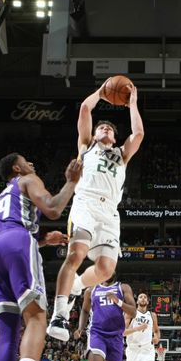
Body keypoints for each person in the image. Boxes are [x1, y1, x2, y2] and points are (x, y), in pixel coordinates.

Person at [49, 77, 144, 341]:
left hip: (110, 214)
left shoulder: (122, 155)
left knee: (105, 269)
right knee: (77, 253)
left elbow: (138, 135)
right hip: (85, 204)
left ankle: (76, 288)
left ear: (113, 139)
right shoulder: (86, 147)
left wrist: (133, 103)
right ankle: (58, 315)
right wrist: (101, 93)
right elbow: (84, 109)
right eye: (101, 127)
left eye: (109, 129)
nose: (104, 129)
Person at [0, 153, 82, 361]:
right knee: (36, 317)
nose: (32, 164)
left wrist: (44, 240)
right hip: (16, 241)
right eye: (27, 161)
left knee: (8, 330)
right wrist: (72, 181)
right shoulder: (28, 180)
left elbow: (8, 227)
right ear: (17, 168)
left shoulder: (1, 196)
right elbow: (53, 209)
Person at [73, 273, 137, 361]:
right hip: (97, 334)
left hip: (116, 337)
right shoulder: (91, 290)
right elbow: (85, 310)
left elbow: (133, 312)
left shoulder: (123, 288)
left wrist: (118, 301)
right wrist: (80, 328)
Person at [124, 293, 161, 361]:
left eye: (145, 297)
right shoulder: (130, 313)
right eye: (140, 297)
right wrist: (137, 329)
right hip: (133, 350)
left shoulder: (152, 315)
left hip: (147, 350)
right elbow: (122, 332)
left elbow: (156, 331)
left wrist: (156, 338)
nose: (143, 298)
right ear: (137, 301)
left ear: (147, 302)